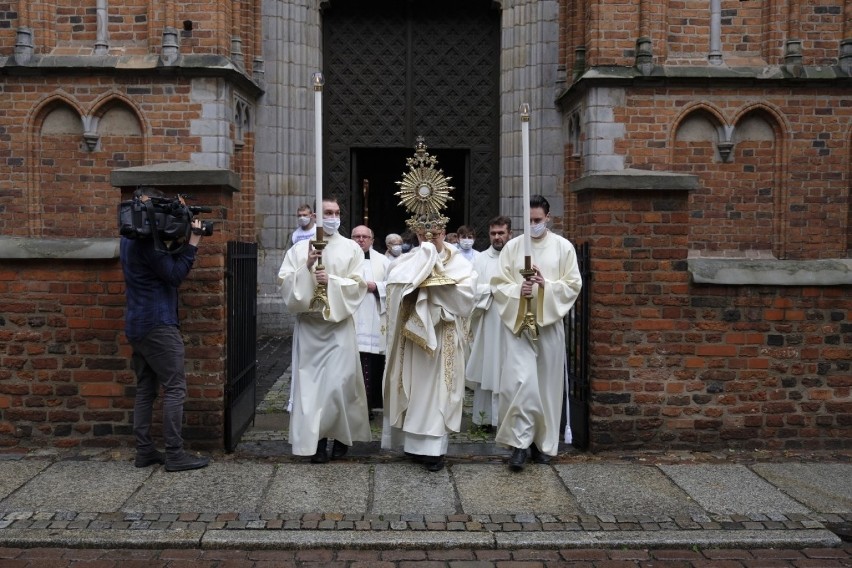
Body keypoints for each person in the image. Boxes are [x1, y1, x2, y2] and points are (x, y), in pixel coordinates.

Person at [120, 187, 211, 472]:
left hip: (137, 323)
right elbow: (173, 274)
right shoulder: (147, 242)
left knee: (147, 388)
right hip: (158, 324)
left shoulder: (130, 236)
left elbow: (162, 263)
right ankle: (174, 454)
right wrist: (193, 241)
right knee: (174, 388)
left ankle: (145, 450)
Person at [492, 195, 582, 471]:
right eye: (529, 221)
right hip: (519, 326)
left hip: (548, 325)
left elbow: (573, 284)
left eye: (538, 220)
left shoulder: (563, 248)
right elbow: (498, 284)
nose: (533, 225)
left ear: (548, 218)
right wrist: (518, 290)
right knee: (521, 383)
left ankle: (542, 444)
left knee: (545, 386)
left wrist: (546, 285)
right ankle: (519, 444)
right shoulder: (514, 248)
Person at [278, 197, 372, 463]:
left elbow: (358, 285)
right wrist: (307, 266)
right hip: (310, 328)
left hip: (338, 327)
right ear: (317, 216)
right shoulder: (299, 249)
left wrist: (331, 281)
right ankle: (316, 442)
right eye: (328, 212)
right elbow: (285, 283)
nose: (333, 217)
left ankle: (341, 436)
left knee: (339, 385)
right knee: (312, 389)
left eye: (337, 212)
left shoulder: (352, 248)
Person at [382, 213, 475, 472]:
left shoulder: (459, 262)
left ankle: (433, 451)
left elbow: (466, 298)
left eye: (435, 231)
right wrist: (419, 271)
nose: (430, 237)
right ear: (416, 233)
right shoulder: (406, 261)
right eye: (424, 233)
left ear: (444, 231)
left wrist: (436, 279)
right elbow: (394, 289)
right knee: (414, 391)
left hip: (443, 335)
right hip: (413, 340)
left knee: (439, 395)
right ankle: (413, 446)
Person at [465, 215, 512, 433]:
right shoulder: (480, 260)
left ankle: (507, 418)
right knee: (488, 367)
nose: (497, 237)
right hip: (487, 321)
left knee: (510, 368)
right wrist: (493, 291)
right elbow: (472, 290)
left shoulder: (518, 258)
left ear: (509, 234)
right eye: (493, 233)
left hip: (511, 324)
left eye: (501, 233)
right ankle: (484, 419)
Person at [351, 225, 390, 417]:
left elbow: (393, 286)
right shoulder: (344, 261)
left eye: (365, 236)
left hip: (375, 318)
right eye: (356, 236)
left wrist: (377, 287)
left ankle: (369, 406)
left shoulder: (384, 261)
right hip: (351, 318)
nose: (360, 239)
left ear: (372, 240)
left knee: (372, 363)